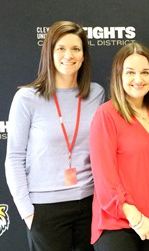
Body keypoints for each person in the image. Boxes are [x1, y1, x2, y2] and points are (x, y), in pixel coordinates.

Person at [5, 21, 105, 251]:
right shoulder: (27, 98)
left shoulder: (97, 94)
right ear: (49, 52)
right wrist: (28, 213)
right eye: (60, 48)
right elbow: (14, 159)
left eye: (76, 49)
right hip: (45, 209)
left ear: (83, 56)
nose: (68, 55)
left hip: (89, 205)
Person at [89, 42, 149, 251]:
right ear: (119, 76)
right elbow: (105, 178)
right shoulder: (106, 115)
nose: (138, 79)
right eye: (130, 72)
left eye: (145, 72)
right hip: (117, 225)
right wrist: (136, 218)